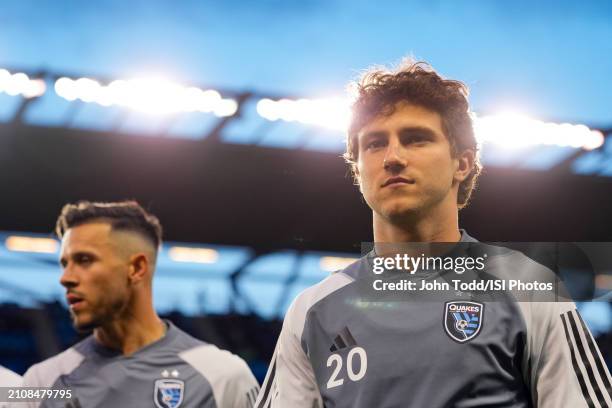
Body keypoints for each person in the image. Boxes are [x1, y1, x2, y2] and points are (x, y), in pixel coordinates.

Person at [255, 61, 612, 407]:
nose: (392, 157)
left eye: (415, 139)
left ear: (462, 163)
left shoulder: (528, 288)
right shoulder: (312, 311)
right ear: (357, 170)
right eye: (375, 144)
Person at [18, 201, 259, 408]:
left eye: (84, 260)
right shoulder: (40, 383)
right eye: (64, 263)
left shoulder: (224, 377)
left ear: (136, 268)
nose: (66, 278)